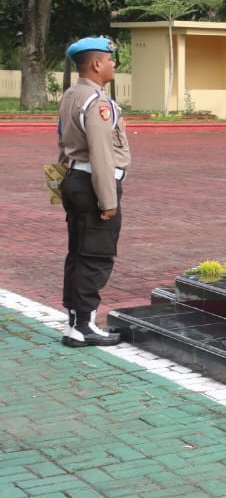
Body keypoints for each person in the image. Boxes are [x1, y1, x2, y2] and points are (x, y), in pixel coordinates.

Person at [56, 37, 129, 346]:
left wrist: (63, 181)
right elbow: (101, 152)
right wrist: (108, 199)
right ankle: (84, 325)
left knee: (78, 253)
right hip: (93, 184)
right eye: (111, 59)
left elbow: (62, 143)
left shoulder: (72, 95)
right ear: (97, 64)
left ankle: (76, 323)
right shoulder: (98, 102)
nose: (114, 65)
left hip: (75, 179)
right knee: (96, 256)